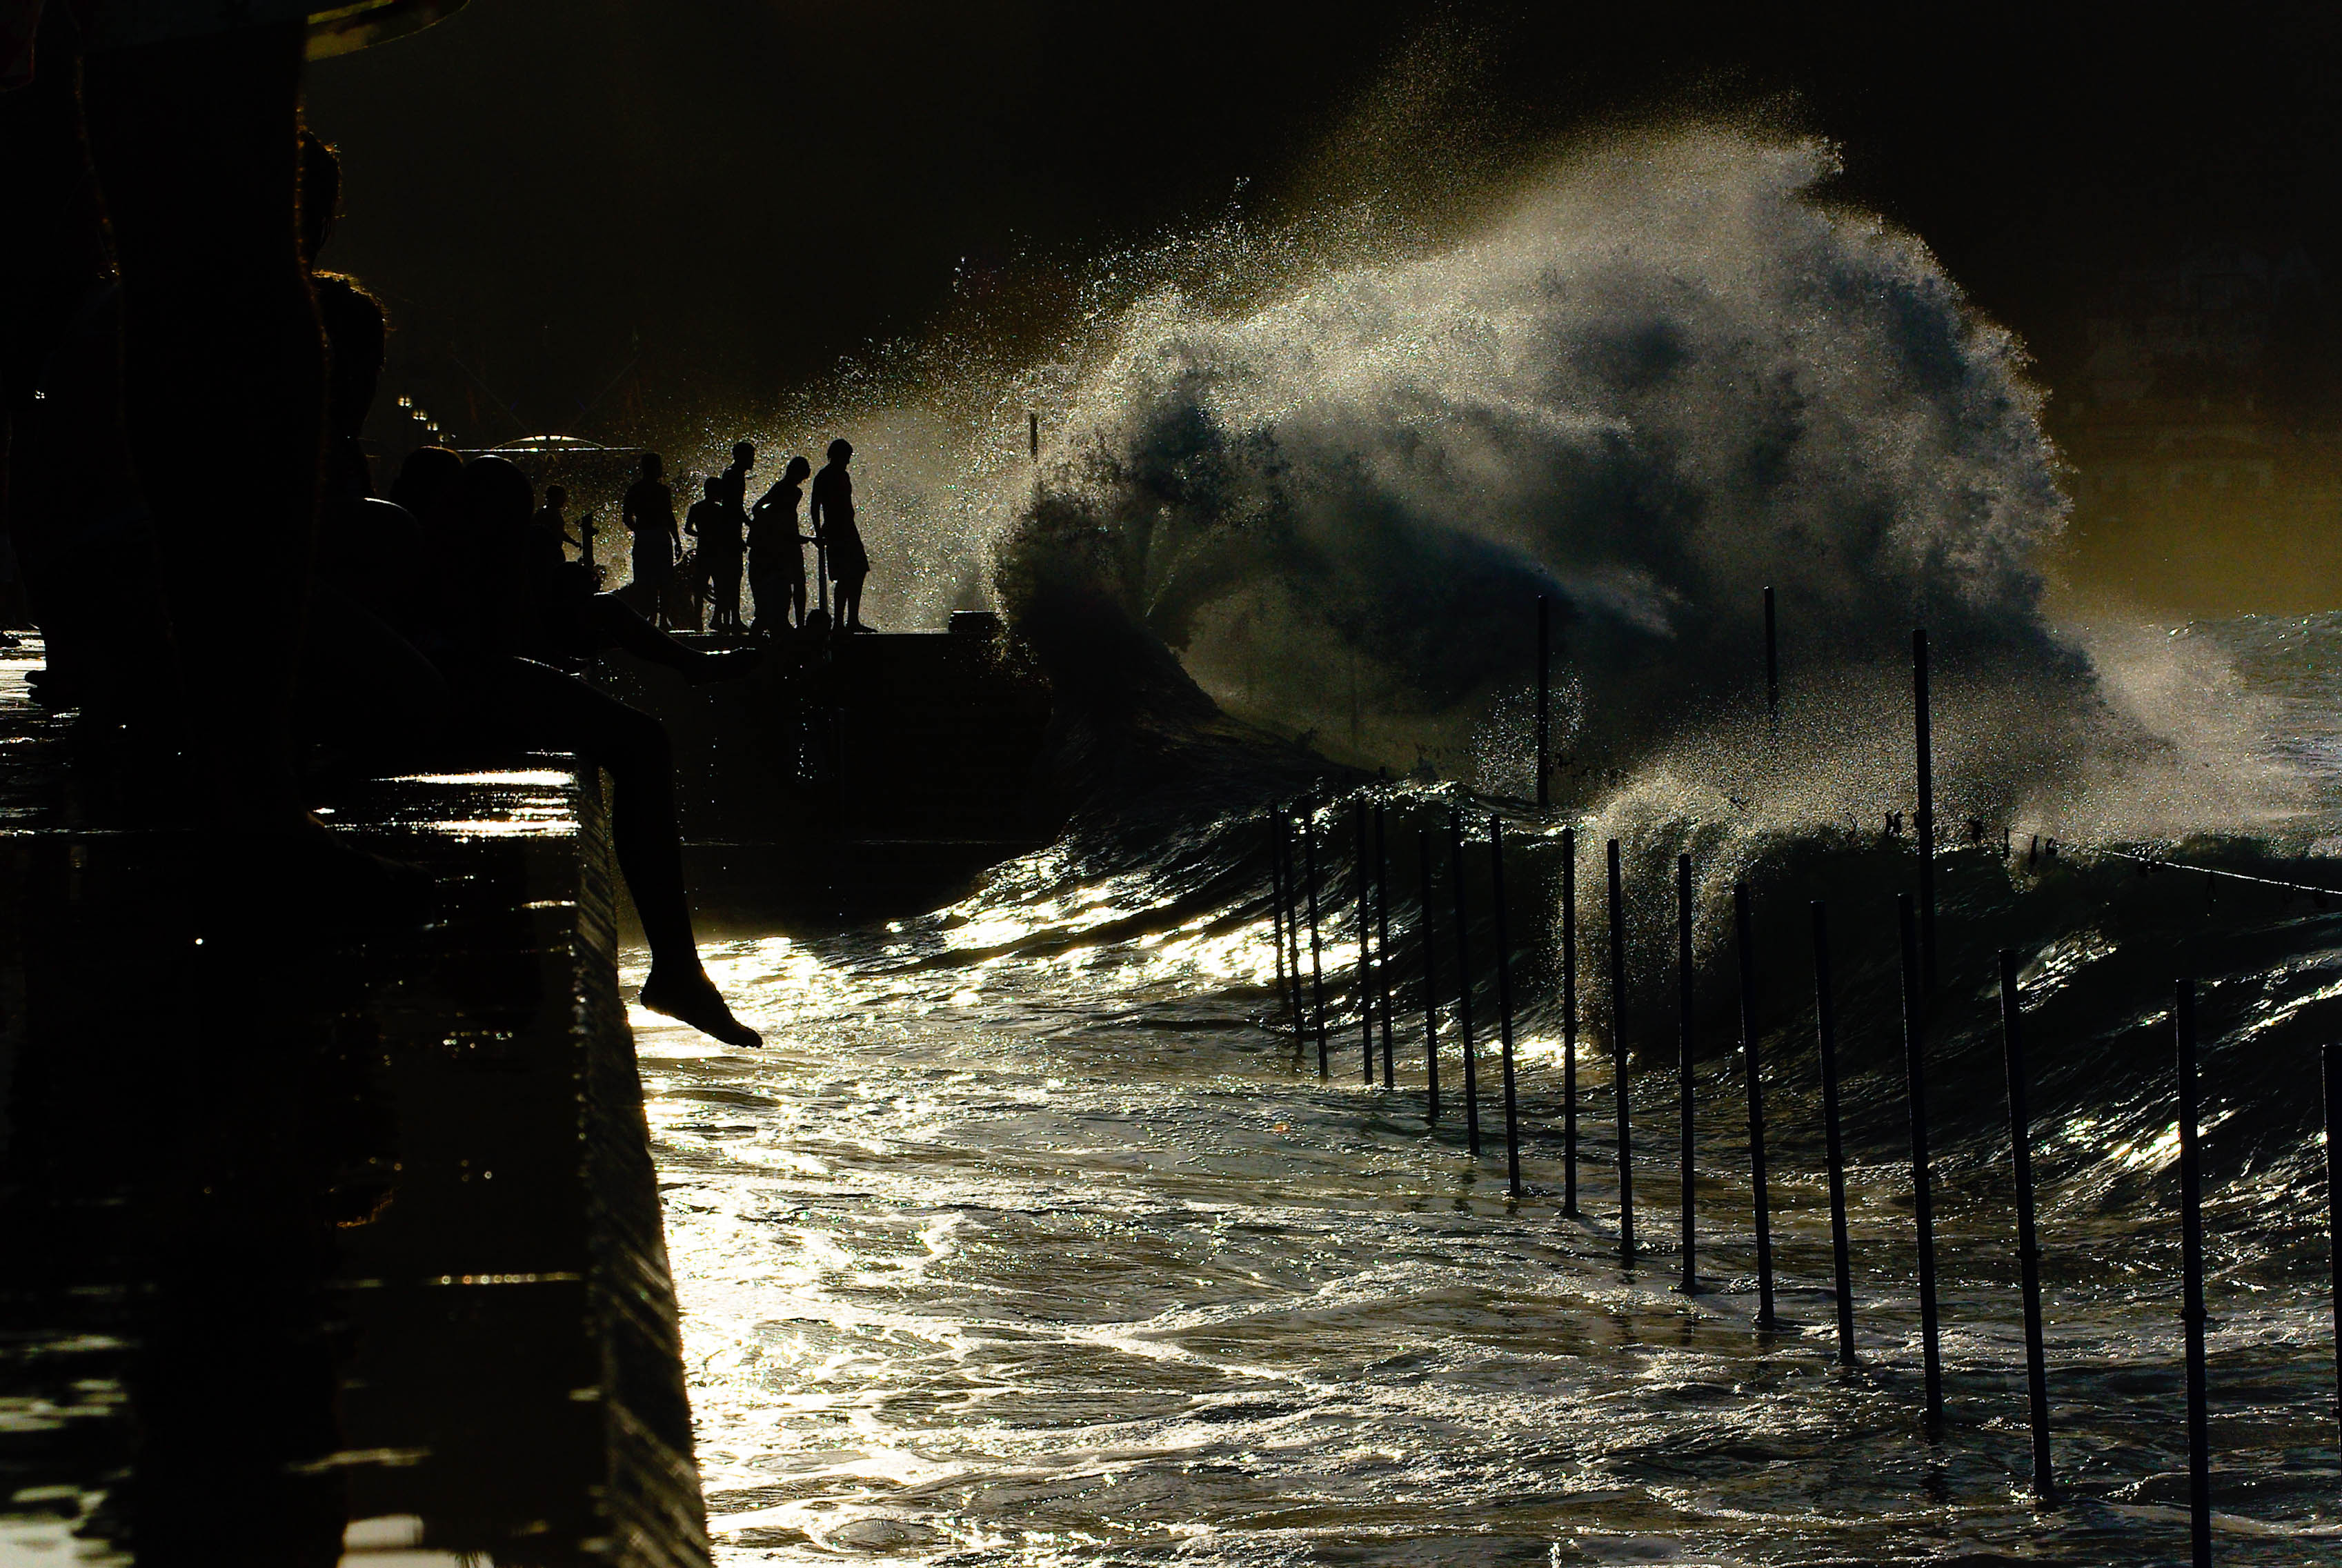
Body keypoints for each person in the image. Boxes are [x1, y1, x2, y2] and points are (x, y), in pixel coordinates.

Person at [809, 437, 871, 632]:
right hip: (835, 531)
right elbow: (814, 507)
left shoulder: (844, 476)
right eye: (846, 457)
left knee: (859, 571)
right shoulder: (824, 476)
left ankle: (852, 619)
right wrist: (818, 533)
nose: (848, 461)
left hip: (849, 529)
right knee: (844, 576)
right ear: (836, 456)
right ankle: (838, 623)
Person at [748, 454, 810, 633]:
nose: (800, 481)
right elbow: (759, 510)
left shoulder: (788, 490)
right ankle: (790, 622)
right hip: (782, 545)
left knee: (793, 583)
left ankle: (794, 622)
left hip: (785, 542)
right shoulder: (786, 490)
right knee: (790, 584)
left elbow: (757, 509)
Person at [622, 450, 680, 628]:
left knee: (645, 578)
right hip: (661, 537)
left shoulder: (634, 490)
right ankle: (663, 619)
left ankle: (651, 617)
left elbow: (626, 517)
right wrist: (677, 540)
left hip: (645, 537)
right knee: (664, 579)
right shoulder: (662, 491)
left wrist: (639, 530)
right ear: (654, 468)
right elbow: (669, 517)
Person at [690, 465, 746, 635]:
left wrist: (700, 534)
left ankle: (698, 622)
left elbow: (687, 529)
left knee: (700, 589)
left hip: (702, 552)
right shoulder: (720, 511)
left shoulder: (696, 508)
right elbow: (727, 531)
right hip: (717, 553)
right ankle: (717, 619)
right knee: (721, 588)